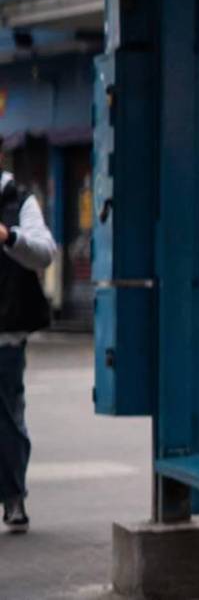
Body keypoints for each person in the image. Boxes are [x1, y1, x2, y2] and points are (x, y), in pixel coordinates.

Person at [0, 137, 56, 533]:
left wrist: (9, 237)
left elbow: (45, 251)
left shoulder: (19, 201)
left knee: (7, 418)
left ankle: (13, 495)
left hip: (6, 335)